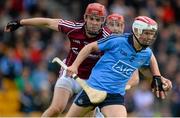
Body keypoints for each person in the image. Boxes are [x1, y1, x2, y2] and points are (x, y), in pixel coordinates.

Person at [66, 16, 172, 117]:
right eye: (147, 33)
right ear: (136, 31)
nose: (150, 37)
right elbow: (90, 47)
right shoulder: (118, 40)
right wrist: (74, 65)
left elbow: (149, 59)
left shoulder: (146, 53)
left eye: (152, 34)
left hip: (114, 95)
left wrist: (157, 76)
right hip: (92, 89)